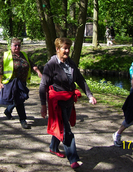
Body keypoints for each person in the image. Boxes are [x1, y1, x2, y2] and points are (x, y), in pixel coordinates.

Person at [39, 37, 97, 169]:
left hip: (69, 100)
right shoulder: (51, 65)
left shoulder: (71, 63)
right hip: (57, 102)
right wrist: (43, 105)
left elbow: (80, 80)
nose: (67, 51)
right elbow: (43, 86)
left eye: (68, 48)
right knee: (66, 130)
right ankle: (73, 159)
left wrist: (90, 95)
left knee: (60, 126)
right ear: (57, 49)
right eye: (64, 48)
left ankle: (53, 147)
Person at [0, 37, 42, 129]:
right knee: (19, 101)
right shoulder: (6, 55)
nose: (17, 47)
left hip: (22, 82)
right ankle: (23, 120)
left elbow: (32, 64)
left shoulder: (24, 55)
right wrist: (0, 82)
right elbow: (1, 70)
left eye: (19, 45)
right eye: (15, 45)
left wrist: (38, 72)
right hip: (11, 82)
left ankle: (8, 111)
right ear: (11, 46)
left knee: (20, 99)